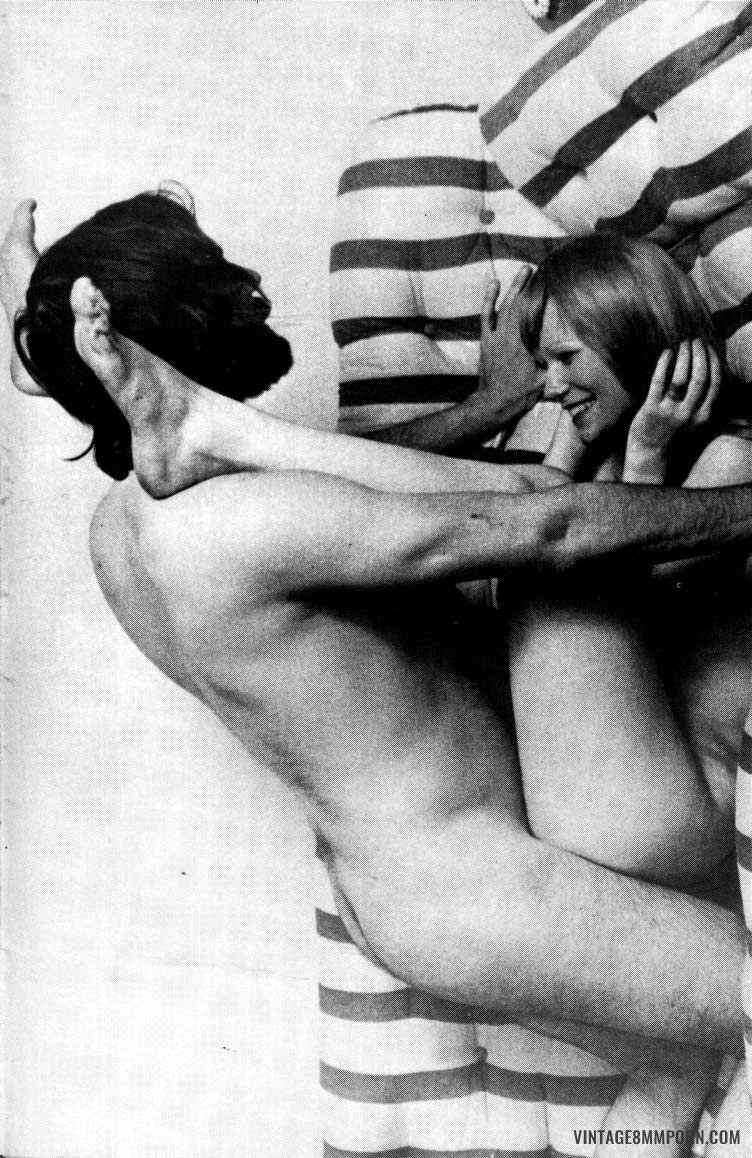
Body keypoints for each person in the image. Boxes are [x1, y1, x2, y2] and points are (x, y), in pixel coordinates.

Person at [4, 194, 752, 1153]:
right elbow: (551, 520)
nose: (253, 289)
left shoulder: (120, 530)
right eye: (221, 280)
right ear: (176, 339)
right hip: (493, 897)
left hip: (403, 902)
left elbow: (334, 481)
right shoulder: (244, 526)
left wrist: (488, 407)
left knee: (675, 1064)